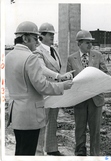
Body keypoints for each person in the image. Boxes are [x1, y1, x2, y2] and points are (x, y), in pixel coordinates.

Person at [5, 21, 73, 156]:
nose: (37, 42)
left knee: (20, 151)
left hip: (16, 114)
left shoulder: (8, 57)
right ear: (25, 38)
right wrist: (62, 86)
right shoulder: (30, 57)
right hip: (30, 115)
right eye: (35, 38)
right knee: (29, 152)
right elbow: (41, 86)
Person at [67, 30, 111, 156]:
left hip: (95, 98)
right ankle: (80, 153)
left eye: (91, 43)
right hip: (80, 99)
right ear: (79, 44)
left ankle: (95, 155)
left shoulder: (97, 56)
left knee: (95, 130)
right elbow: (69, 78)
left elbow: (105, 73)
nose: (90, 45)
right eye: (87, 43)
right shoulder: (71, 58)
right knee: (79, 128)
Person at [33, 22, 73, 156]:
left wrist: (63, 77)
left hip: (54, 91)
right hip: (44, 92)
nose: (52, 37)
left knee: (53, 120)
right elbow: (42, 69)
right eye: (50, 34)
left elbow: (57, 67)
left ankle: (51, 148)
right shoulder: (37, 51)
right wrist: (59, 76)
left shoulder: (53, 50)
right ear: (41, 36)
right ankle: (38, 152)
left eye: (53, 34)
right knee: (42, 121)